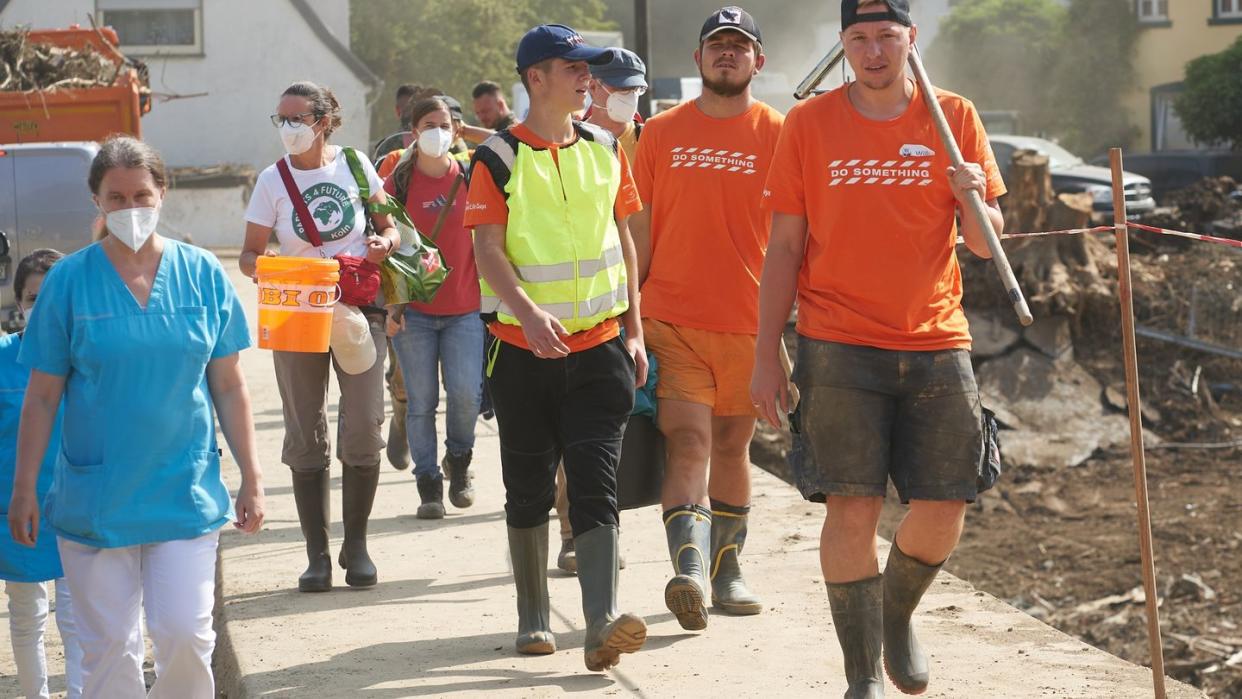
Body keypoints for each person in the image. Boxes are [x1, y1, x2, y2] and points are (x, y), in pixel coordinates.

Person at [751, 1, 1006, 695]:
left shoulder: (954, 118)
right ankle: (861, 671)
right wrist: (765, 349)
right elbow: (782, 247)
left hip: (935, 336)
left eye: (886, 37)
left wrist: (975, 194)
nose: (873, 51)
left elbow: (985, 244)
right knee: (852, 507)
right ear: (842, 45)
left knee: (946, 502)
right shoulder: (808, 124)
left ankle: (895, 612)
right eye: (858, 38)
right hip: (836, 342)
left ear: (909, 40)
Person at [7, 136, 265, 698]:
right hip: (98, 499)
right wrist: (25, 487)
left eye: (140, 195)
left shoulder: (201, 274)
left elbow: (228, 382)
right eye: (116, 197)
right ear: (96, 201)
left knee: (186, 636)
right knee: (106, 650)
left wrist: (251, 474)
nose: (130, 209)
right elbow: (43, 396)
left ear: (162, 193)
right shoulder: (68, 284)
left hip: (184, 490)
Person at [467, 24, 647, 671]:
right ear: (535, 77)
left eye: (588, 70)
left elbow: (623, 240)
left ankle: (600, 621)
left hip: (600, 349)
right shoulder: (495, 158)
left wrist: (635, 328)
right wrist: (527, 311)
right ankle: (534, 616)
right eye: (574, 68)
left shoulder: (606, 144)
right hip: (520, 351)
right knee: (528, 485)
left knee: (597, 485)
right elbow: (487, 245)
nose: (586, 80)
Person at [629, 5, 783, 631]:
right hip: (672, 318)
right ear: (697, 59)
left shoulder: (780, 133)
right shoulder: (661, 133)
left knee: (732, 444)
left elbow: (800, 235)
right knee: (688, 441)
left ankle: (728, 570)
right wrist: (628, 315)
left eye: (739, 46)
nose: (727, 53)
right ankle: (687, 571)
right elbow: (635, 228)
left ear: (757, 61)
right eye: (716, 45)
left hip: (749, 322)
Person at [241, 81, 400, 592]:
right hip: (298, 314)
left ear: (324, 120)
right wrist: (274, 270)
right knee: (305, 433)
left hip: (358, 310)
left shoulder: (354, 165)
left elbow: (392, 228)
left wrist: (383, 243)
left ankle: (357, 546)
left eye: (298, 118)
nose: (288, 128)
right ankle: (317, 556)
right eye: (280, 119)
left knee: (363, 427)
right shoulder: (271, 179)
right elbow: (249, 254)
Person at [551, 46, 651, 574]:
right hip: (580, 307)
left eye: (635, 88)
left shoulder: (651, 140)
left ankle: (601, 528)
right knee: (578, 432)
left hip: (645, 303)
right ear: (594, 89)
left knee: (623, 430)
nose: (629, 97)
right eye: (619, 87)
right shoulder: (567, 143)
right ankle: (574, 532)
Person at [383, 96, 482, 520]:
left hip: (467, 308)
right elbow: (385, 248)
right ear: (412, 133)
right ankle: (429, 485)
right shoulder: (397, 184)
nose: (437, 133)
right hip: (415, 313)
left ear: (457, 131)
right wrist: (392, 306)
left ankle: (458, 461)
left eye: (445, 125)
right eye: (428, 124)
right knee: (421, 401)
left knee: (465, 395)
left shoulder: (476, 175)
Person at [2, 249, 83, 699]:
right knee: (26, 611)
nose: (44, 306)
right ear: (19, 304)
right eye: (35, 297)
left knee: (75, 615)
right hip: (15, 509)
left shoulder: (88, 362)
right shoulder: (1, 360)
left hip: (77, 506)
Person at [585, 48, 648, 161]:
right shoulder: (572, 140)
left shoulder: (648, 139)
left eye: (637, 89)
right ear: (592, 86)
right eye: (622, 87)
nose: (631, 96)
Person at [373, 82, 421, 162]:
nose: (411, 113)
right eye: (407, 109)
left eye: (415, 108)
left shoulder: (433, 143)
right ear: (398, 110)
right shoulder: (386, 147)